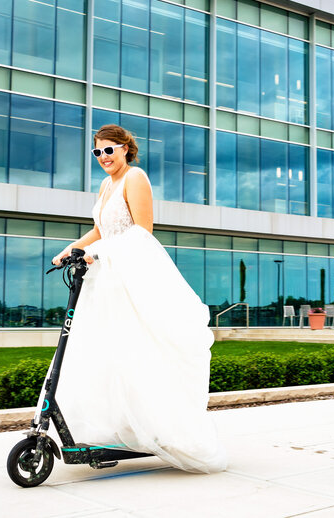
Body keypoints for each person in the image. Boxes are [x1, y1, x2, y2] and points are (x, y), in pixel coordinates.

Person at [45, 124, 226, 474]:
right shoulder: (106, 184)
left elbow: (142, 230)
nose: (103, 157)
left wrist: (100, 254)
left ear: (126, 148)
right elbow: (100, 230)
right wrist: (71, 249)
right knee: (109, 354)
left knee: (141, 349)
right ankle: (126, 428)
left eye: (109, 150)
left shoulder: (135, 177)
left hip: (133, 272)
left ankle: (165, 429)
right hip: (106, 277)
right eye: (97, 152)